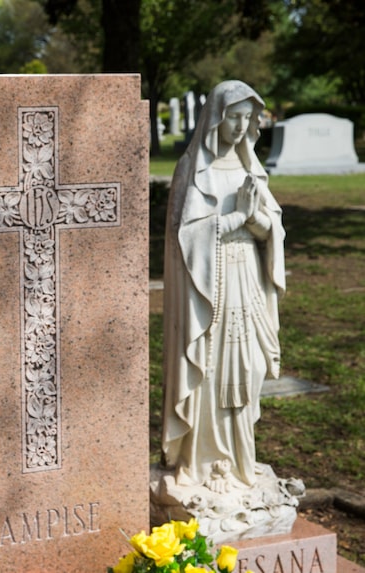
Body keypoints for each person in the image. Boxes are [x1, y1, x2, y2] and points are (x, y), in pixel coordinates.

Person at [161, 80, 286, 493]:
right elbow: (185, 236)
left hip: (246, 279)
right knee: (209, 371)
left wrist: (254, 220)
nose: (240, 125)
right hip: (207, 288)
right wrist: (235, 219)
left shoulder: (252, 169)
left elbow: (272, 231)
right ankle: (200, 462)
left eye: (248, 118)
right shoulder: (193, 170)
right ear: (216, 118)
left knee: (247, 368)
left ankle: (239, 464)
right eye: (234, 116)